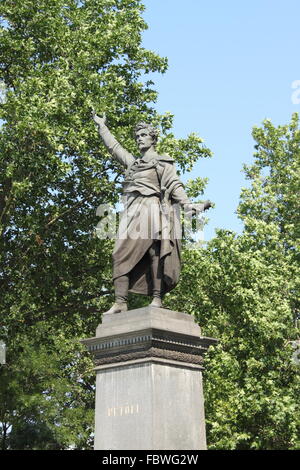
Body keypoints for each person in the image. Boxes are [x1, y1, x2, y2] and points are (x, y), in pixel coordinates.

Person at [92, 112, 211, 314]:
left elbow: (174, 185)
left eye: (143, 135)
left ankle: (157, 298)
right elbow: (115, 148)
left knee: (155, 252)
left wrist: (188, 205)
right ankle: (120, 302)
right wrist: (102, 126)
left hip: (152, 208)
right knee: (118, 253)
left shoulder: (162, 163)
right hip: (131, 212)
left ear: (153, 138)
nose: (139, 138)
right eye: (137, 136)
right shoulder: (133, 163)